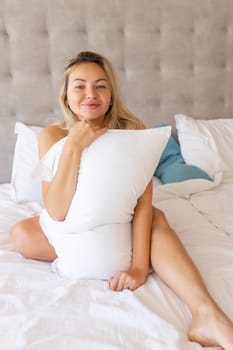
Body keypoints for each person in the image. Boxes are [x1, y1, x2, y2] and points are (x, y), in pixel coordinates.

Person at [10, 51, 233, 349]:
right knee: (21, 234)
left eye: (101, 85)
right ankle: (94, 248)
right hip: (66, 227)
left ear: (112, 93)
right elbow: (57, 210)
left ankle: (207, 313)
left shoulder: (133, 132)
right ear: (65, 95)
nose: (90, 94)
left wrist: (139, 267)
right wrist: (74, 145)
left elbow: (143, 201)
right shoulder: (51, 136)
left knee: (155, 217)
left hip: (120, 221)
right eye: (79, 85)